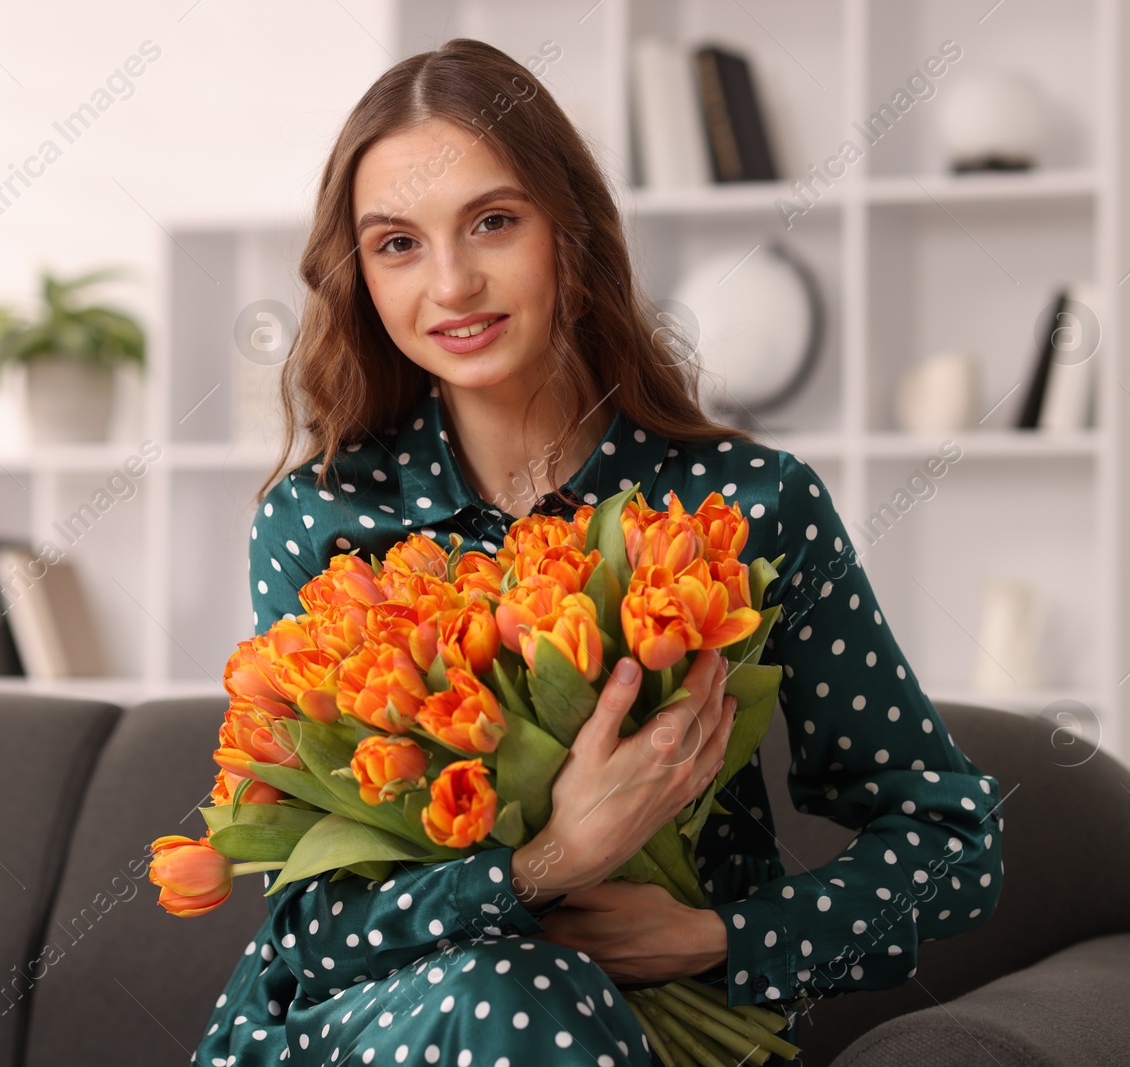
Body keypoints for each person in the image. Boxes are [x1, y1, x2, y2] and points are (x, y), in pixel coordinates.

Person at [193, 37, 1005, 1067]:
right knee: (509, 985)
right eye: (397, 244)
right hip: (364, 1036)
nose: (450, 282)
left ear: (569, 233)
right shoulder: (321, 526)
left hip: (663, 1037)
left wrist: (727, 939)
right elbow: (315, 929)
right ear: (360, 275)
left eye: (492, 222)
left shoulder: (746, 508)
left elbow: (949, 838)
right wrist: (543, 865)